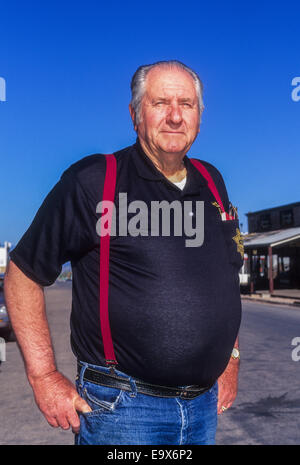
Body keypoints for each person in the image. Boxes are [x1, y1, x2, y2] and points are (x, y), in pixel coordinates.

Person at [4, 60, 243, 445]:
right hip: (123, 412)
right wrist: (44, 376)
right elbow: (23, 273)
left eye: (187, 104)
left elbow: (224, 279)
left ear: (201, 115)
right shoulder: (95, 182)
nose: (176, 116)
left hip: (201, 409)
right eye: (161, 103)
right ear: (134, 114)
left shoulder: (212, 182)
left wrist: (229, 360)